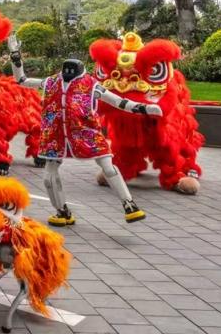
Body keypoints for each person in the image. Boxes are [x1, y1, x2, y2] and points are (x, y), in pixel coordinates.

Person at [9, 34, 157, 226]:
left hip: (87, 134)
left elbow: (118, 102)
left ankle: (129, 205)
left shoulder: (91, 85)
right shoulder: (51, 82)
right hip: (55, 136)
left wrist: (143, 108)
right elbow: (22, 80)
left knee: (108, 167)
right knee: (49, 177)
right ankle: (62, 212)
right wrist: (15, 56)